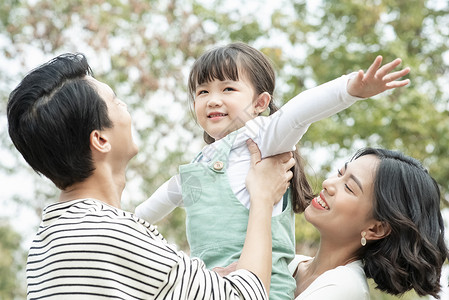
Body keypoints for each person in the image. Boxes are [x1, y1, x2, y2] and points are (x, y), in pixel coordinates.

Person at [7, 53, 296, 299]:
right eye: (116, 102)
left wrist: (209, 281)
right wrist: (262, 197)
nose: (127, 109)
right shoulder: (112, 234)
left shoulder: (46, 243)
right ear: (101, 140)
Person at [135, 42, 411, 299]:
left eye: (228, 89)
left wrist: (349, 88)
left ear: (260, 103)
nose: (213, 100)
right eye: (202, 91)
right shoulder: (198, 166)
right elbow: (144, 215)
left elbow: (299, 112)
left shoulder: (263, 140)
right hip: (212, 289)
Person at [290, 147, 449, 299]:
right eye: (340, 173)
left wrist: (264, 198)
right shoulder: (291, 262)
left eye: (348, 187)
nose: (328, 184)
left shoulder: (346, 286)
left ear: (376, 229)